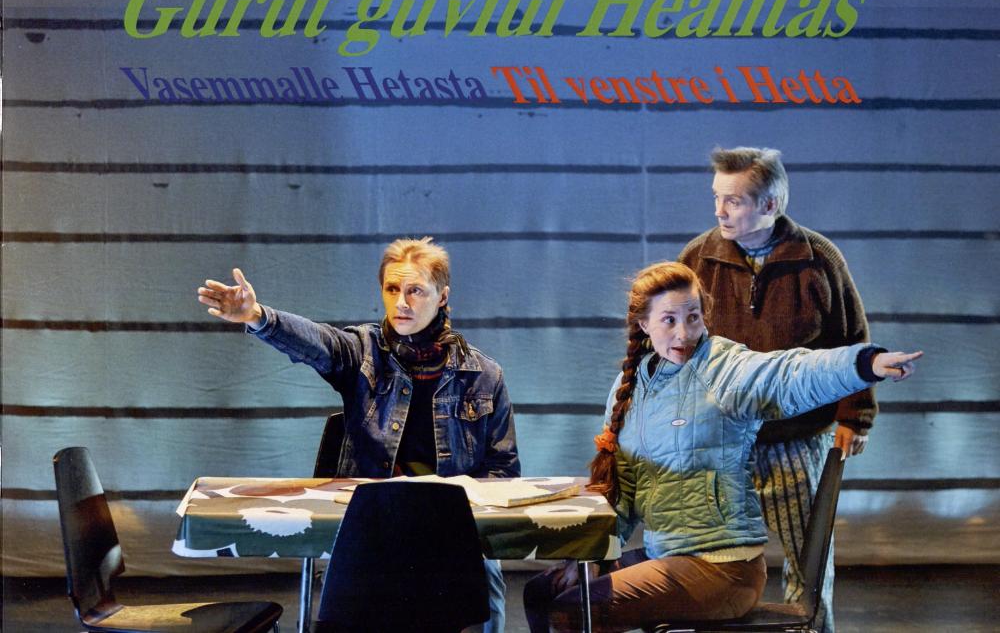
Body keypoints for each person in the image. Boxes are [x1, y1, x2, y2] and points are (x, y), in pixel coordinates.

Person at [522, 262, 920, 633]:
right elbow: (622, 490)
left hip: (724, 570)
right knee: (542, 592)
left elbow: (790, 374)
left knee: (571, 612)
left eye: (693, 317)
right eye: (669, 320)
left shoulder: (724, 369)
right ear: (644, 324)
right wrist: (594, 556)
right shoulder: (632, 386)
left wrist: (865, 364)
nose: (683, 333)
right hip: (668, 554)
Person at [197, 236, 519, 633]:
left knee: (485, 584)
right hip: (373, 528)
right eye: (392, 289)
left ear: (442, 297)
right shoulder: (363, 352)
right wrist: (257, 315)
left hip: (450, 532)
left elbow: (504, 473)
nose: (402, 302)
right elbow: (317, 342)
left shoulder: (484, 376)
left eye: (415, 290)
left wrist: (458, 503)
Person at [679, 146, 870, 632]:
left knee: (809, 564)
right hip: (720, 440)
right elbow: (671, 340)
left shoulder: (817, 259)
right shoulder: (698, 258)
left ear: (770, 204)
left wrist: (854, 416)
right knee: (708, 561)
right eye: (716, 198)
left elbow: (850, 339)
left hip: (794, 438)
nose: (719, 211)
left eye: (734, 200)